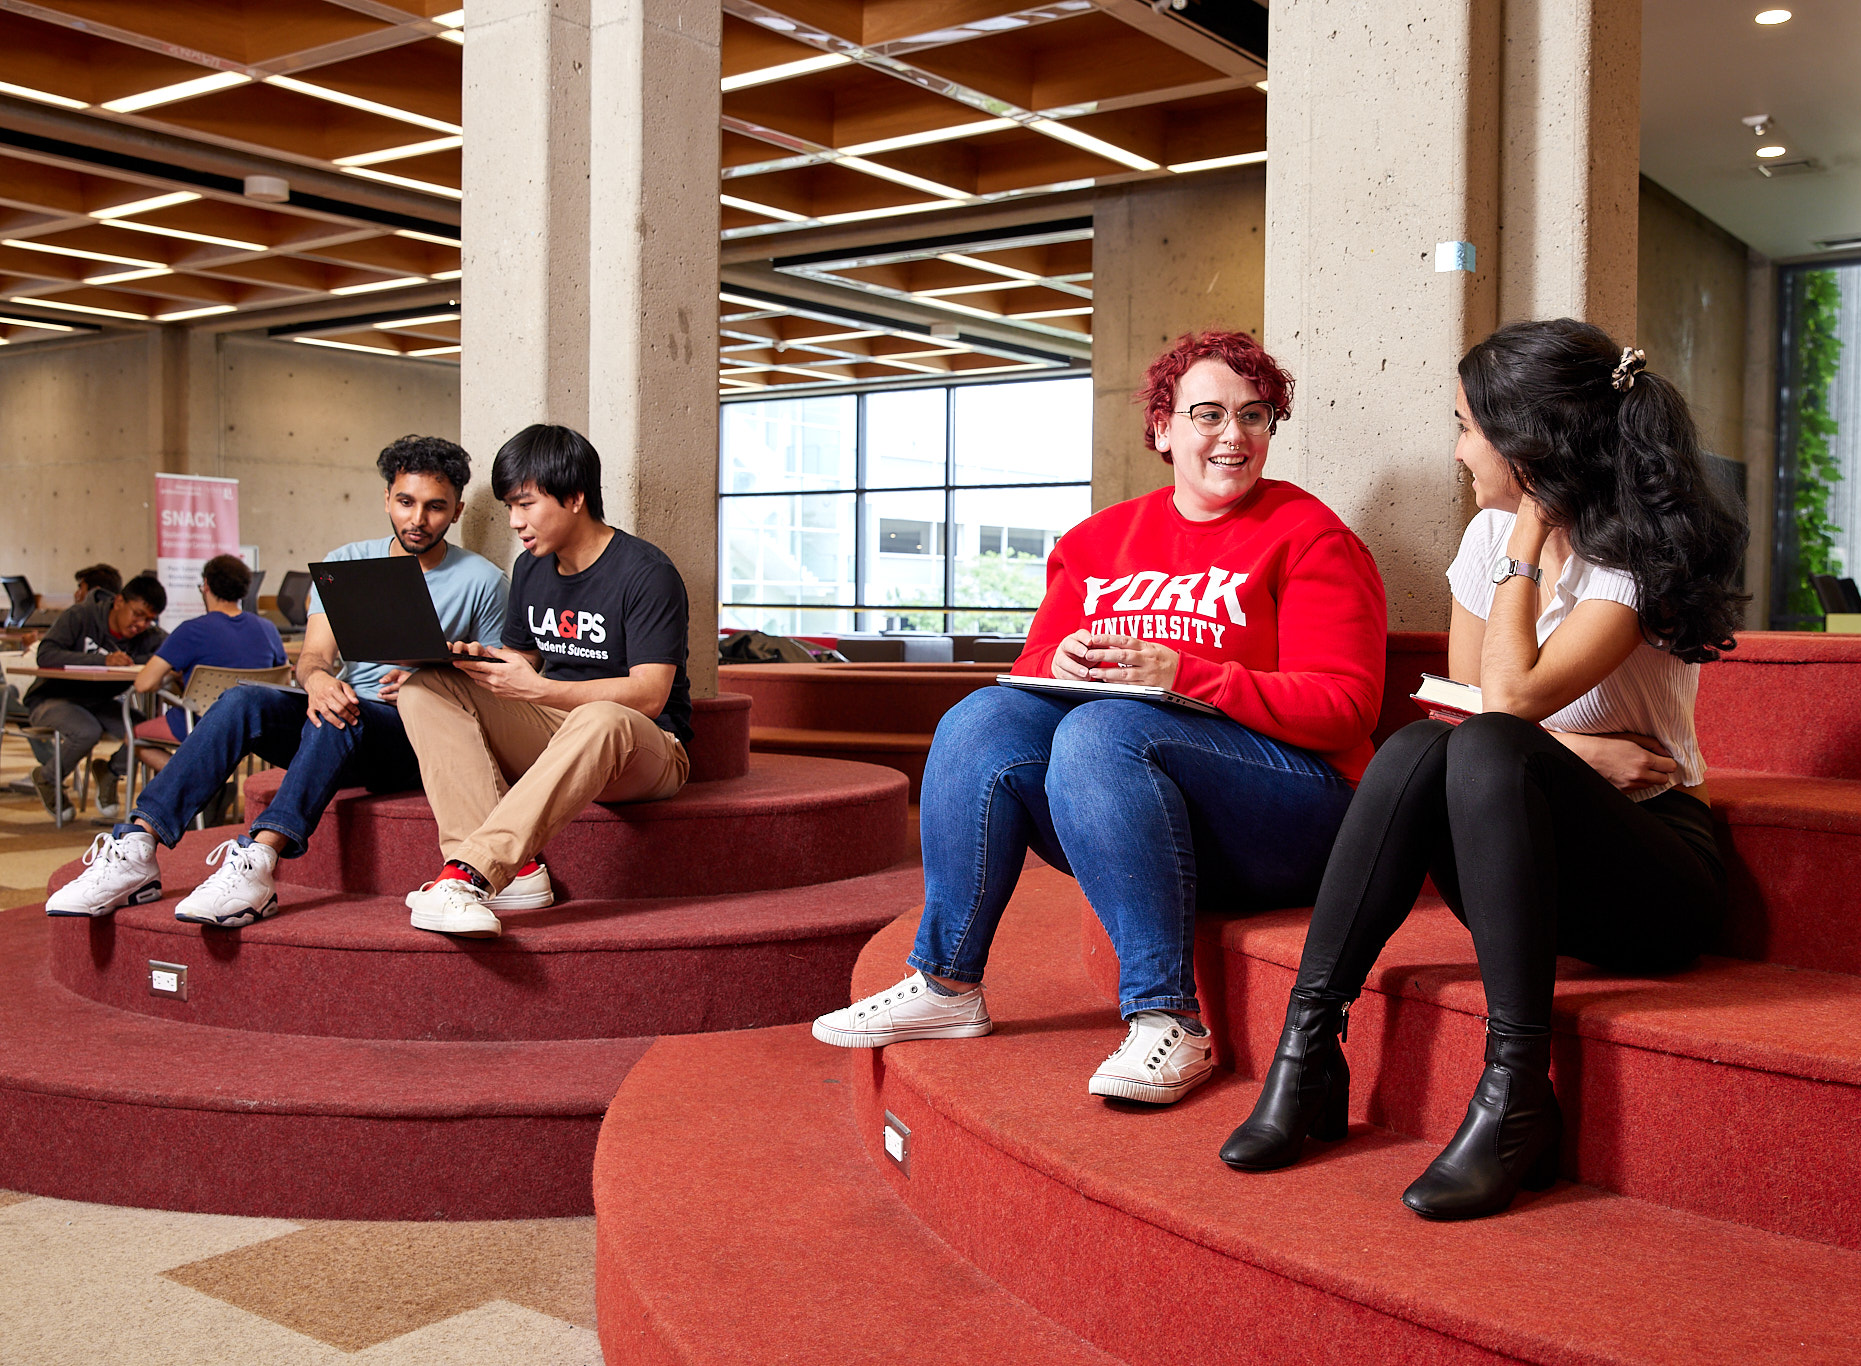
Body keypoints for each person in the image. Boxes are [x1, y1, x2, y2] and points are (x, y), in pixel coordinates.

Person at [1217, 321, 1747, 1221]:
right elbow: (1457, 709)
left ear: (1528, 445)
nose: (1458, 449)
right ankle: (1307, 1050)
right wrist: (1579, 752)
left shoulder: (1624, 559)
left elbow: (1503, 704)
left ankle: (1515, 1094)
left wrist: (1529, 537)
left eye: (1468, 426)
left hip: (1654, 871)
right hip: (1522, 846)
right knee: (1419, 747)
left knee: (1486, 744)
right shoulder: (1489, 537)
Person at [811, 330, 1388, 1106]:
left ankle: (1168, 1018)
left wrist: (1189, 674)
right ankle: (946, 983)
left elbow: (1345, 707)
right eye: (1209, 414)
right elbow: (1036, 662)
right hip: (1136, 810)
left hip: (1300, 813)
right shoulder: (1097, 543)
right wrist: (1062, 663)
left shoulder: (1308, 536)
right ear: (1163, 428)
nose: (1233, 436)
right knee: (983, 716)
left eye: (1255, 417)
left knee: (1104, 729)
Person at [45, 435, 509, 927]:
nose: (417, 519)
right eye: (405, 502)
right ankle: (137, 844)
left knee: (339, 715)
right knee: (245, 701)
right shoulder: (348, 562)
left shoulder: (482, 580)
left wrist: (433, 676)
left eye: (435, 507)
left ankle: (257, 862)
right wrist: (317, 681)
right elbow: (313, 657)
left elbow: (500, 687)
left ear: (457, 510)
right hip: (342, 723)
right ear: (387, 498)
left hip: (412, 739)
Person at [395, 423, 692, 940]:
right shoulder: (532, 568)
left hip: (646, 748)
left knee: (601, 717)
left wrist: (541, 690)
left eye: (525, 504)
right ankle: (517, 875)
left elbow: (648, 694)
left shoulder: (646, 572)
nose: (514, 522)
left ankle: (471, 873)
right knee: (424, 687)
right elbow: (521, 659)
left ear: (575, 497)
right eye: (510, 507)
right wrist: (472, 663)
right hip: (560, 727)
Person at [123, 554, 287, 785]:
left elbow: (144, 684)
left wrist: (174, 673)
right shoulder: (268, 629)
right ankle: (211, 787)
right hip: (255, 728)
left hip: (200, 725)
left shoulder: (191, 630)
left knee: (135, 736)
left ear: (206, 586)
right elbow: (282, 678)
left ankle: (202, 785)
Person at [24, 573, 166, 819]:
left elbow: (166, 655)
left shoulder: (149, 636)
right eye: (137, 614)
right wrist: (103, 660)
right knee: (86, 730)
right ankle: (46, 777)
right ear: (119, 602)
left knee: (144, 729)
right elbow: (46, 654)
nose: (141, 624)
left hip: (99, 703)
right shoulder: (80, 616)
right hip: (53, 699)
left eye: (149, 620)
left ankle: (110, 771)